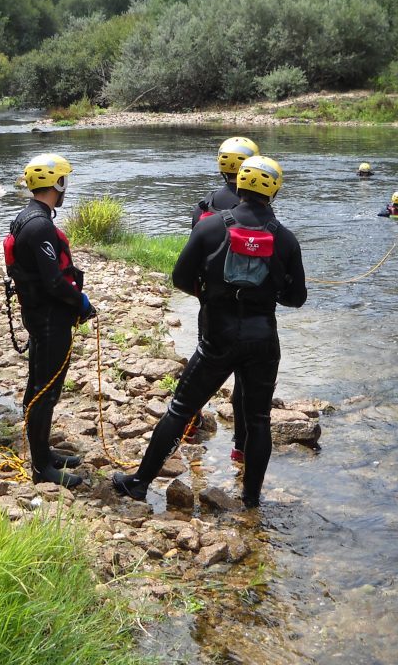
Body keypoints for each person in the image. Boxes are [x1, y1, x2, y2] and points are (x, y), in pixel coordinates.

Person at [113, 156, 307, 509]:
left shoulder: (210, 227)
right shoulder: (286, 239)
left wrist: (211, 292)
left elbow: (180, 278)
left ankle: (140, 483)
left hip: (218, 336)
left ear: (240, 184)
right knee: (258, 419)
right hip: (263, 340)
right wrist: (271, 290)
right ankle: (251, 500)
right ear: (275, 191)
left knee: (181, 409)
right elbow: (297, 298)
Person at [4, 153, 95, 487]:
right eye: (64, 181)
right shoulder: (40, 225)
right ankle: (42, 467)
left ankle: (42, 451)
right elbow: (54, 281)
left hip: (38, 314)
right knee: (46, 390)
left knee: (38, 383)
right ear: (58, 183)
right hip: (48, 318)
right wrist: (81, 302)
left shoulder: (26, 217)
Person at [192, 136, 260, 461]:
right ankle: (240, 447)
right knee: (244, 379)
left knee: (203, 363)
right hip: (247, 309)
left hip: (210, 303)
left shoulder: (204, 206)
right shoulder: (257, 209)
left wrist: (202, 295)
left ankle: (190, 421)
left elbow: (192, 259)